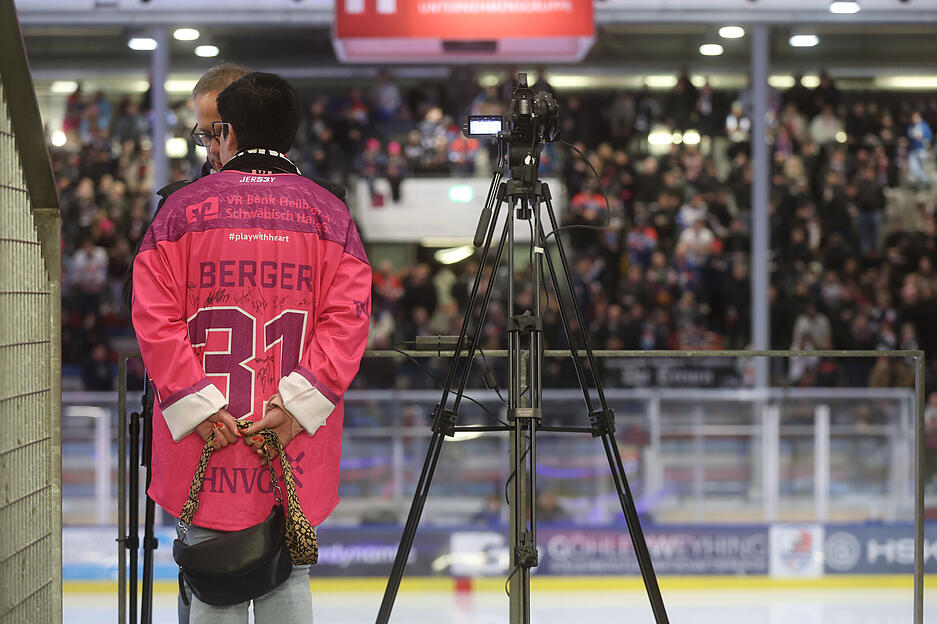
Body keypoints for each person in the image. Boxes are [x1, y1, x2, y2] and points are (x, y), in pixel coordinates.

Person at [131, 72, 371, 623]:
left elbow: (153, 317)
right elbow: (348, 322)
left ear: (228, 132)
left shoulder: (178, 212)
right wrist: (296, 407)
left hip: (204, 438)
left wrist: (198, 402)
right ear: (292, 133)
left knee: (214, 576)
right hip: (291, 439)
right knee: (290, 574)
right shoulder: (330, 215)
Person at [190, 63, 250, 176]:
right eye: (206, 135)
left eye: (224, 133)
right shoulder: (185, 193)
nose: (213, 149)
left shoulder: (289, 190)